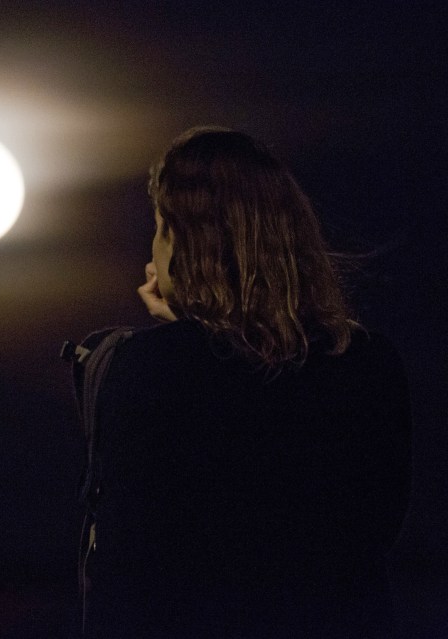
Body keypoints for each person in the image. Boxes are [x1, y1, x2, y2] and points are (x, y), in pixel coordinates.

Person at [82, 128, 412, 638]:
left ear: (183, 240)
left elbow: (131, 557)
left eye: (160, 227)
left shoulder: (144, 370)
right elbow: (379, 527)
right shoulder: (368, 362)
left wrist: (182, 335)